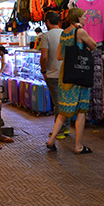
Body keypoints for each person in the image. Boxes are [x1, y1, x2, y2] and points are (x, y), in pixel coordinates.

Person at [46, 8, 97, 154]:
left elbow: (60, 56)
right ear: (78, 18)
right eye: (84, 17)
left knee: (63, 111)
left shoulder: (64, 33)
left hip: (66, 75)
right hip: (79, 75)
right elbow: (94, 45)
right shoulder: (79, 32)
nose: (85, 19)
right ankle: (78, 146)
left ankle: (52, 140)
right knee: (81, 111)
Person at [40, 11, 70, 139]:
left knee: (57, 102)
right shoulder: (66, 34)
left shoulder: (46, 36)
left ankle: (59, 130)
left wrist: (43, 70)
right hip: (67, 73)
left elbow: (44, 57)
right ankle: (66, 127)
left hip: (53, 74)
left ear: (47, 22)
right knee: (66, 100)